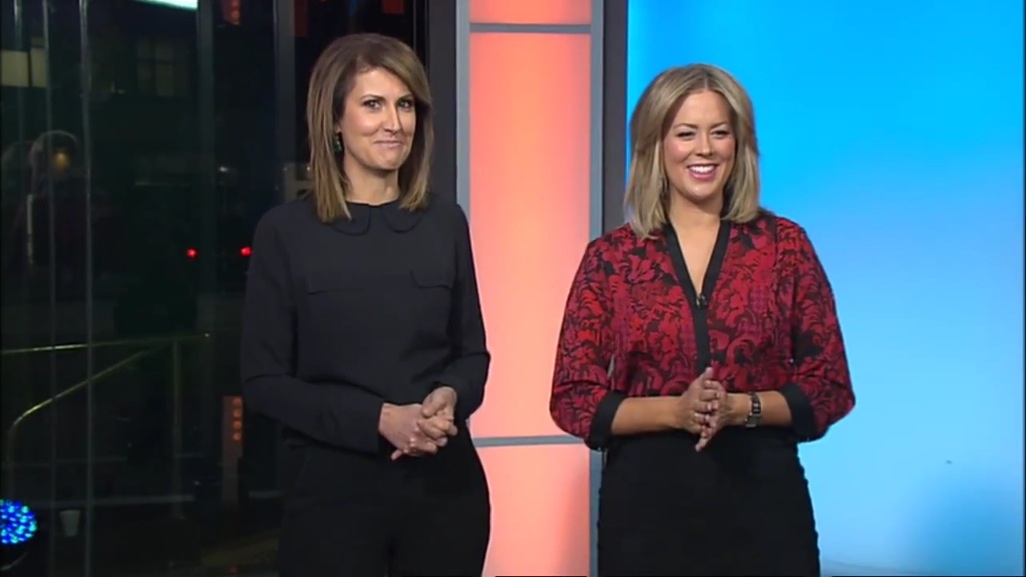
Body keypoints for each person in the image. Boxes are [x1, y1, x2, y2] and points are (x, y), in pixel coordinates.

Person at [549, 64, 855, 576]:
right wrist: (675, 412)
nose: (705, 150)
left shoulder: (785, 247)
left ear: (740, 144)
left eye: (719, 132)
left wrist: (741, 408)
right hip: (645, 516)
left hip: (765, 510)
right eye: (686, 133)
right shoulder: (610, 259)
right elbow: (572, 398)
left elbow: (830, 386)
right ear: (655, 144)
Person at [240, 33, 491, 577]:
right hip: (332, 496)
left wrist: (449, 396)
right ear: (335, 120)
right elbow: (263, 381)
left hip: (445, 492)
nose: (394, 123)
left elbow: (472, 354)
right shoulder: (286, 232)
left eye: (405, 105)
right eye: (373, 104)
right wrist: (378, 419)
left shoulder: (445, 223)